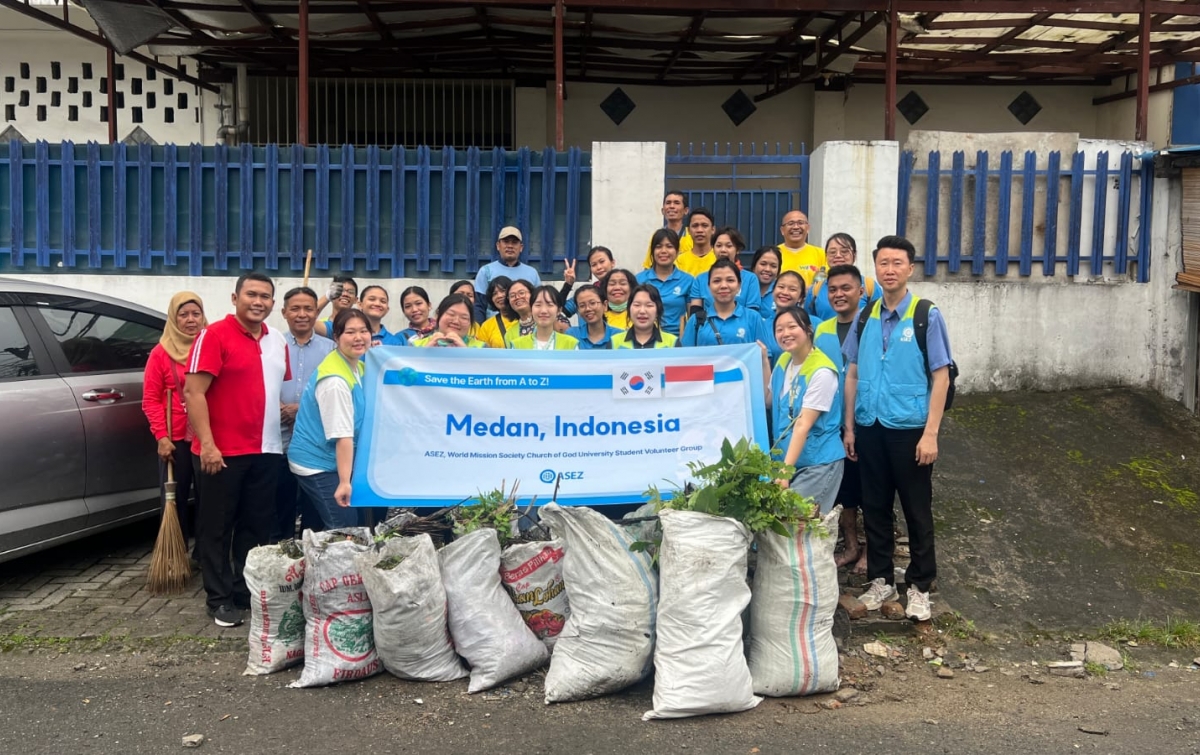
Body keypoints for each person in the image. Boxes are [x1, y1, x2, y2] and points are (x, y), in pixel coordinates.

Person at [843, 236, 953, 623]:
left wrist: (931, 433)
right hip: (870, 425)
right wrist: (850, 426)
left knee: (916, 509)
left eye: (896, 263)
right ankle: (882, 580)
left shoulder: (926, 315)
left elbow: (941, 377)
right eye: (883, 263)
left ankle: (921, 587)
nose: (889, 270)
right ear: (875, 269)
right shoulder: (866, 315)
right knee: (875, 506)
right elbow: (853, 373)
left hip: (909, 428)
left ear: (909, 268)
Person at [185, 273, 290, 628]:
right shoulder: (212, 335)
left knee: (256, 527)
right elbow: (193, 392)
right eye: (251, 294)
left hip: (267, 449)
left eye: (265, 296)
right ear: (235, 297)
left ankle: (244, 591)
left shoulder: (277, 340)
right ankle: (218, 599)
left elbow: (269, 390)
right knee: (216, 528)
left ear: (273, 304)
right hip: (223, 452)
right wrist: (208, 446)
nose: (258, 302)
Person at [287, 309, 372, 530]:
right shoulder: (335, 381)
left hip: (334, 460)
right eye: (350, 332)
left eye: (364, 331)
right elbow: (342, 435)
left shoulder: (357, 366)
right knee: (346, 528)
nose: (358, 337)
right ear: (336, 337)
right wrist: (345, 482)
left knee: (318, 526)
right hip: (317, 462)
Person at [142, 291, 206, 560]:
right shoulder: (161, 353)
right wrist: (161, 436)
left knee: (208, 500)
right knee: (175, 499)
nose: (191, 320)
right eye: (184, 314)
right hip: (176, 438)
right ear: (173, 317)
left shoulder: (211, 345)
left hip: (207, 437)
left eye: (196, 313)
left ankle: (205, 555)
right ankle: (175, 557)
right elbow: (151, 400)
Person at [813, 264, 868, 572]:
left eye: (846, 288)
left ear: (860, 291)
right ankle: (850, 545)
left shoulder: (872, 325)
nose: (839, 294)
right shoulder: (822, 331)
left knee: (873, 488)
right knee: (846, 489)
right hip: (834, 423)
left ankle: (872, 550)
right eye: (832, 289)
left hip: (869, 417)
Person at [767, 306, 844, 515]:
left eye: (792, 326)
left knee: (796, 523)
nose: (785, 333)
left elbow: (802, 425)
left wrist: (784, 473)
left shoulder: (822, 371)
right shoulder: (783, 360)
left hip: (816, 463)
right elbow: (769, 400)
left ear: (808, 329)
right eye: (779, 329)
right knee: (781, 525)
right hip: (787, 460)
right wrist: (765, 360)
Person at [276, 286, 335, 542]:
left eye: (309, 309)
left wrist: (299, 409)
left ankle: (311, 561)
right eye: (295, 309)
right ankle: (283, 561)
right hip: (277, 438)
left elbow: (335, 388)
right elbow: (261, 382)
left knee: (314, 511)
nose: (302, 314)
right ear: (284, 312)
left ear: (317, 313)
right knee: (280, 505)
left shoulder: (331, 349)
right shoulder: (272, 345)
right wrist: (278, 406)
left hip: (314, 443)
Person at [681, 258, 769, 347]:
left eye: (730, 280)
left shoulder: (753, 318)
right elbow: (685, 357)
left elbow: (763, 355)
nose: (723, 286)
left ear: (739, 286)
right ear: (709, 287)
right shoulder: (696, 320)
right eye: (717, 281)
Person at [473, 226, 542, 322]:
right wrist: (479, 330)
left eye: (514, 242)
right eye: (506, 242)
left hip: (526, 328)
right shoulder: (486, 271)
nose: (510, 246)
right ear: (498, 245)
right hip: (494, 331)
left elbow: (538, 302)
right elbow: (479, 306)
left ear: (521, 247)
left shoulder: (532, 273)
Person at [636, 228, 695, 338]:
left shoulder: (688, 280)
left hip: (677, 340)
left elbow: (692, 318)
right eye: (658, 247)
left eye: (669, 246)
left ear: (677, 252)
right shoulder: (639, 279)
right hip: (646, 338)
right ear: (652, 252)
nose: (663, 251)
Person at [807, 233, 880, 321]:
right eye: (832, 252)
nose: (838, 255)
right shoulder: (816, 289)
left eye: (844, 252)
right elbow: (808, 322)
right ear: (826, 256)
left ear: (854, 255)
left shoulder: (870, 286)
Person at [689, 227, 761, 314]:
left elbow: (752, 314)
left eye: (729, 246)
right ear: (713, 248)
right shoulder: (700, 279)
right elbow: (696, 313)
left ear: (737, 250)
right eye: (719, 246)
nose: (723, 250)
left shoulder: (750, 279)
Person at [508, 286, 578, 350]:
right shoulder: (517, 345)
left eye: (550, 305)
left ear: (559, 310)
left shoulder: (571, 344)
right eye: (538, 305)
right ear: (531, 309)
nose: (543, 311)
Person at [612, 285, 678, 349]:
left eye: (649, 305)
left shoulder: (672, 343)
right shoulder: (614, 342)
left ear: (658, 311)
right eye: (637, 305)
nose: (642, 311)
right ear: (629, 309)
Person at [641, 190, 694, 268]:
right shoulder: (657, 236)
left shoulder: (691, 235)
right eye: (668, 203)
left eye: (676, 203)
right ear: (663, 211)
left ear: (686, 211)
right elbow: (648, 266)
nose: (671, 206)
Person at [411, 294, 488, 348]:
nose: (456, 321)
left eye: (464, 318)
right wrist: (425, 353)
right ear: (438, 315)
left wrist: (465, 352)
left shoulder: (481, 348)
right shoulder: (416, 346)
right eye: (451, 314)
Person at [777, 210, 827, 289]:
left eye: (800, 223)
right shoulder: (774, 254)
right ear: (782, 230)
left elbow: (827, 283)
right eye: (791, 223)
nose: (796, 227)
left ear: (808, 228)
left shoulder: (821, 254)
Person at [563, 246, 616, 318]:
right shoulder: (587, 294)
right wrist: (568, 284)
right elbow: (559, 310)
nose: (599, 267)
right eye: (593, 265)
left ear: (612, 263)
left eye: (602, 261)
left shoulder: (624, 290)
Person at [566, 284, 621, 349]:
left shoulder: (619, 335)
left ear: (605, 305)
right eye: (582, 305)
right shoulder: (572, 334)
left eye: (592, 303)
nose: (588, 309)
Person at [674, 209, 717, 277]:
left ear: (713, 230)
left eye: (704, 225)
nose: (699, 230)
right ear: (688, 230)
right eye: (695, 226)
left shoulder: (719, 258)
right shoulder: (679, 261)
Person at [475, 275, 515, 349]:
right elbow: (482, 355)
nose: (499, 296)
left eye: (503, 291)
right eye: (494, 294)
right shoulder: (487, 326)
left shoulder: (525, 319)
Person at [750, 246, 783, 324]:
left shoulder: (782, 292)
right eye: (763, 264)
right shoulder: (743, 288)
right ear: (754, 266)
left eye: (773, 266)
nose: (767, 269)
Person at [502, 278, 537, 346]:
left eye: (521, 293)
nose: (517, 297)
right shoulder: (509, 334)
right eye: (512, 296)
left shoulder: (548, 322)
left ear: (533, 294)